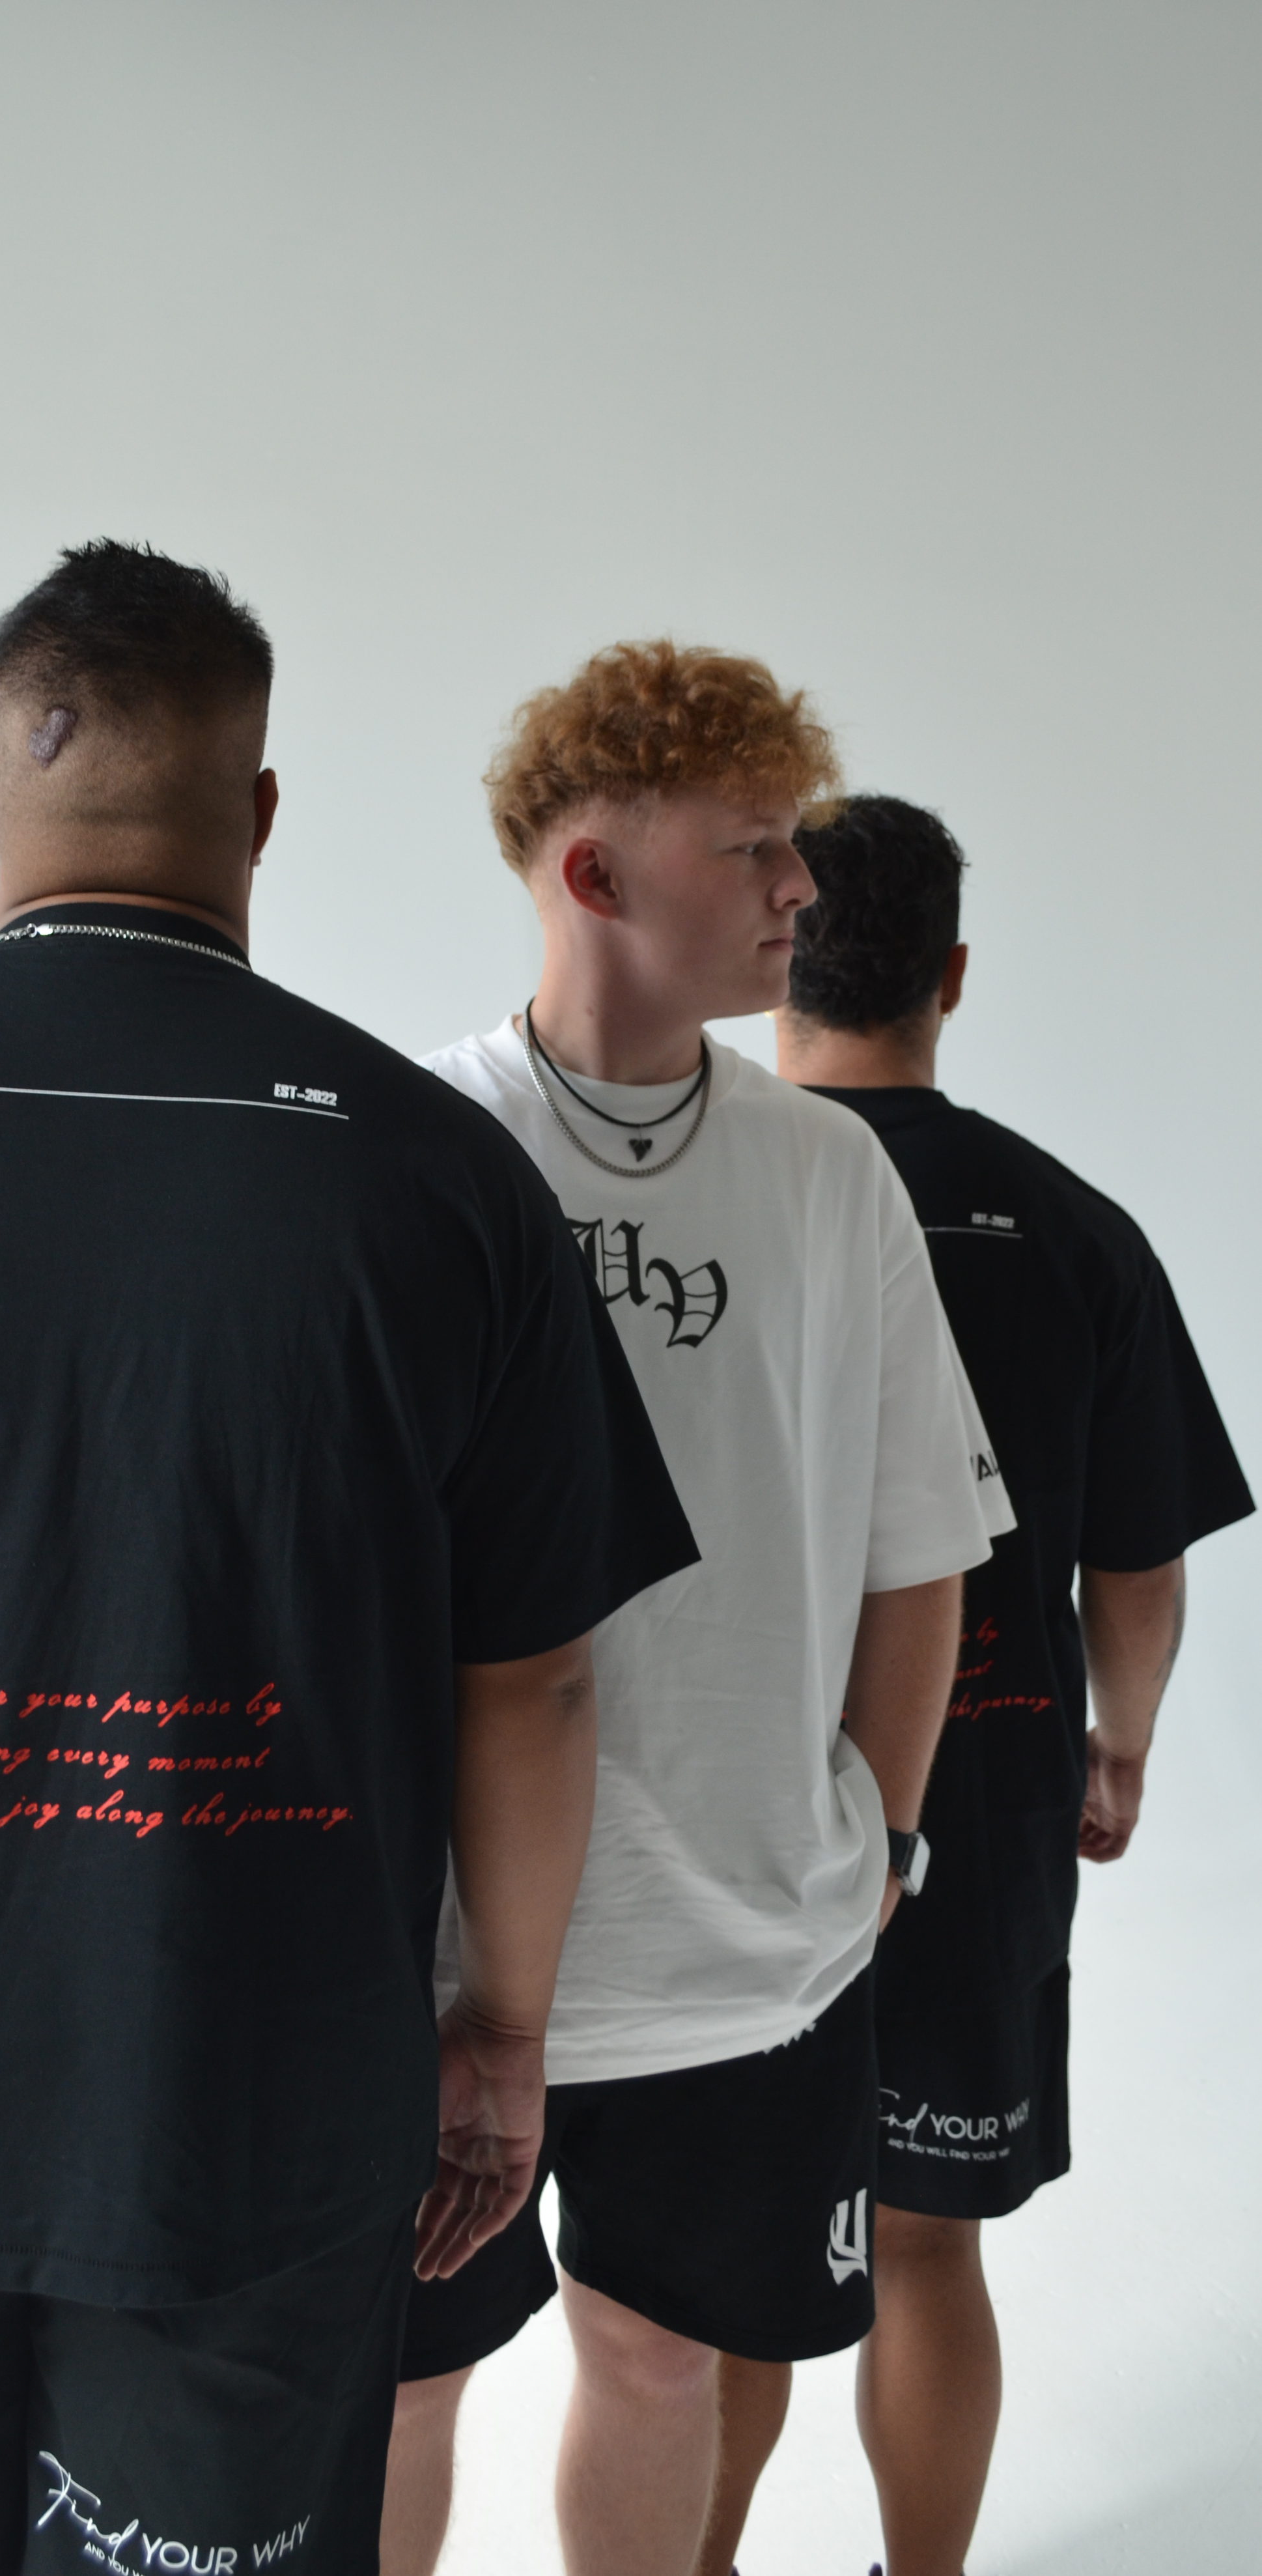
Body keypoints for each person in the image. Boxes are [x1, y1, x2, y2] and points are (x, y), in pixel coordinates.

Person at [0, 543, 700, 2576]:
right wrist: (500, 2035)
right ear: (261, 811)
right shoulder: (431, 1180)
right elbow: (538, 1681)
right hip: (240, 2102)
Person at [380, 644, 1013, 2576]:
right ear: (595, 874)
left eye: (794, 846)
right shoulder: (410, 1149)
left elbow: (922, 1542)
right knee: (394, 2385)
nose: (801, 887)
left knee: (660, 2361)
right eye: (752, 849)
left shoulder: (831, 1173)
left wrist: (882, 1831)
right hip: (426, 1952)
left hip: (751, 1943)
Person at [757, 792, 1254, 2576]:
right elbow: (1137, 1561)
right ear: (950, 974)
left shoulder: (706, 1200)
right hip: (983, 1787)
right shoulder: (1067, 1228)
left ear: (774, 946)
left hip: (729, 1802)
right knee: (922, 2242)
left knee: (716, 2254)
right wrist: (1120, 1748)